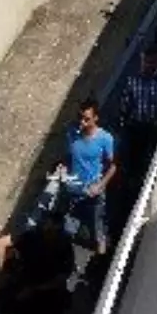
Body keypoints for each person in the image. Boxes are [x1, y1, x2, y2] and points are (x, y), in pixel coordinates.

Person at [56, 100, 116, 256]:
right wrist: (62, 169)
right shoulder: (71, 134)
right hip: (73, 190)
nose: (81, 122)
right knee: (68, 230)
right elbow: (68, 157)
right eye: (80, 117)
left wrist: (100, 185)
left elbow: (112, 166)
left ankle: (100, 262)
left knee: (97, 230)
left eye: (86, 119)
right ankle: (66, 265)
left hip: (93, 192)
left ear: (96, 118)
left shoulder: (105, 139)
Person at [119, 49, 157, 191]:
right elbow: (126, 104)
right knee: (135, 159)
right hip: (137, 127)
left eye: (151, 62)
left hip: (156, 128)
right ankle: (134, 185)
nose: (147, 65)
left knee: (154, 158)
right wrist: (124, 122)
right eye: (145, 62)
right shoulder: (133, 81)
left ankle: (153, 183)